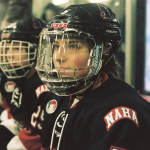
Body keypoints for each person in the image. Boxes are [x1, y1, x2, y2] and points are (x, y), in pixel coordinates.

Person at [36, 3, 150, 150]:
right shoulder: (57, 96)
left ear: (104, 51)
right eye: (56, 46)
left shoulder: (123, 113)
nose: (58, 57)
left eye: (73, 46)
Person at [0, 17, 49, 150]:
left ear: (38, 49)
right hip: (21, 127)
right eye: (7, 49)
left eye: (16, 48)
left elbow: (39, 136)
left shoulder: (44, 86)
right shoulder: (18, 76)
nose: (9, 55)